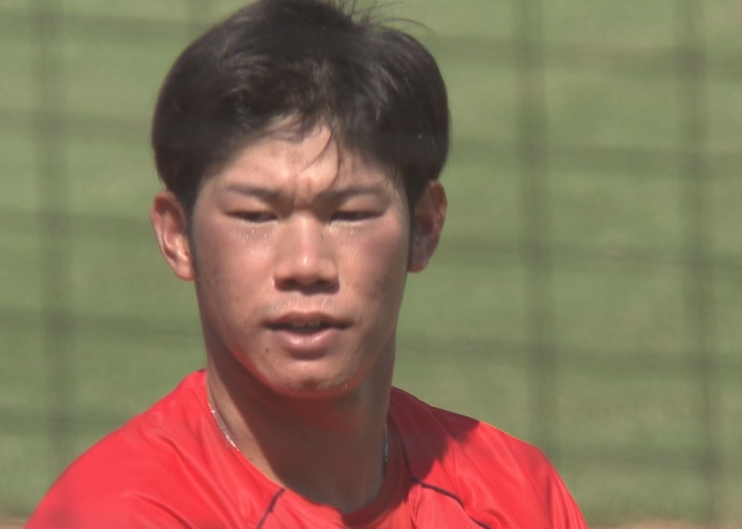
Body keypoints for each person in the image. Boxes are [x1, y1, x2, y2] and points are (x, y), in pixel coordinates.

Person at [26, 0, 586, 527]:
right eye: (256, 216)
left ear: (424, 226)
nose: (305, 264)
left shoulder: (515, 497)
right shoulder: (121, 513)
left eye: (349, 214)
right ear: (178, 237)